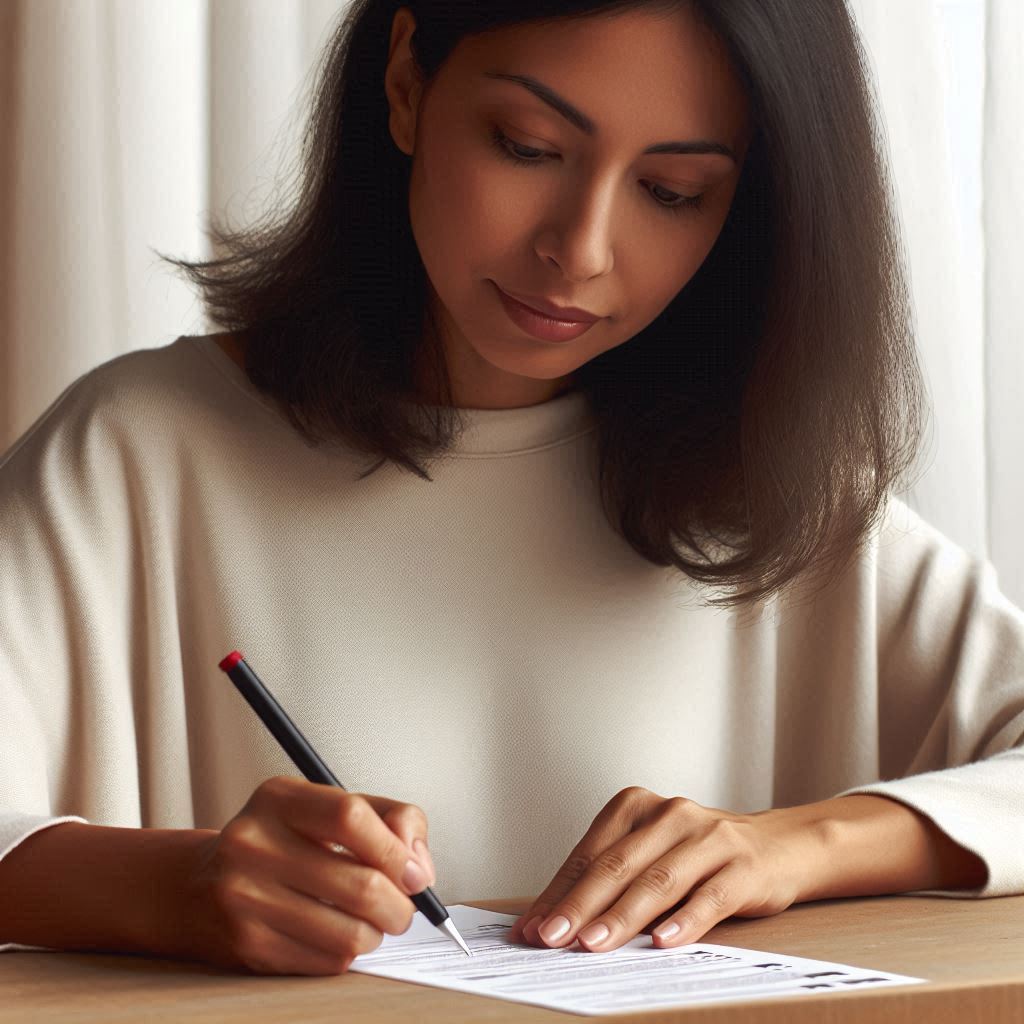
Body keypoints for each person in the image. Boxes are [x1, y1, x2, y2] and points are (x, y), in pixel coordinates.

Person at [1, 0, 1021, 980]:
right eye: (528, 145)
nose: (578, 249)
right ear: (406, 83)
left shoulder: (778, 496)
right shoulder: (141, 453)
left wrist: (792, 847)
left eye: (672, 192)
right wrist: (175, 888)